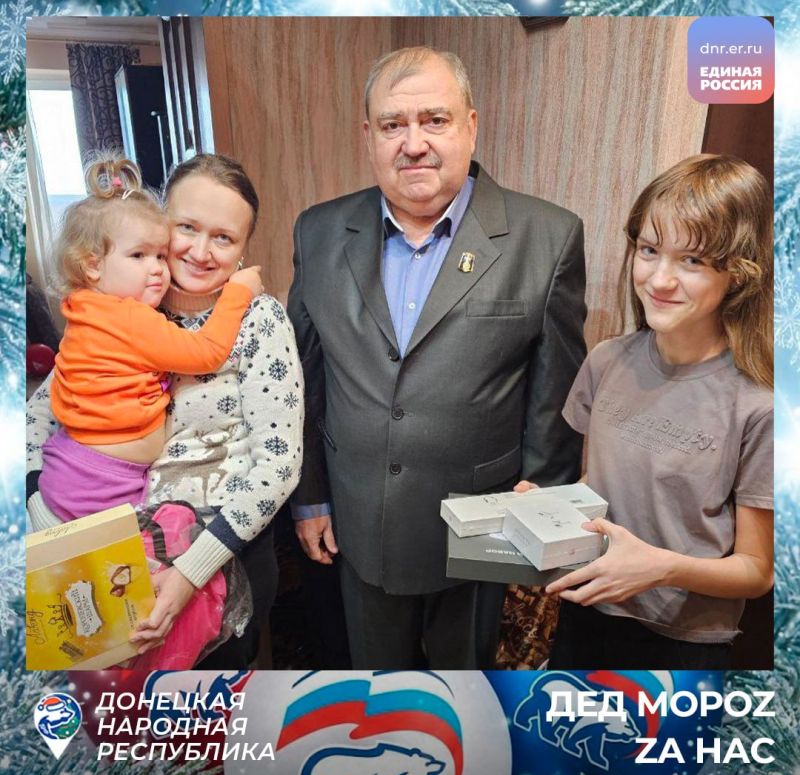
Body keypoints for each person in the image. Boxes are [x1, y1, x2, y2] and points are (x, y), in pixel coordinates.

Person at [288, 46, 587, 669]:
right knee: (380, 692)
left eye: (435, 120)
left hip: (481, 529)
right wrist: (310, 497)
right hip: (358, 520)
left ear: (470, 126)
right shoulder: (318, 232)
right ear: (368, 136)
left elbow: (553, 400)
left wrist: (541, 519)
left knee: (467, 696)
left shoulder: (548, 236)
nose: (414, 144)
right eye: (392, 125)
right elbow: (305, 382)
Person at [27, 154, 303, 667]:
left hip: (220, 561)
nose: (200, 251)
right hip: (112, 560)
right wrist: (45, 514)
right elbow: (39, 416)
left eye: (223, 238)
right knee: (120, 710)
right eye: (187, 228)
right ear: (160, 224)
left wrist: (189, 573)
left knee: (206, 712)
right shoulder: (122, 304)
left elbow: (279, 465)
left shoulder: (259, 319)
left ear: (243, 250)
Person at [518, 154, 773, 669]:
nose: (660, 279)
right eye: (650, 250)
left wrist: (660, 568)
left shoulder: (759, 404)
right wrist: (554, 508)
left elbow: (757, 570)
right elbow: (599, 483)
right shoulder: (607, 360)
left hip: (681, 644)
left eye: (692, 260)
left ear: (739, 273)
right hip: (586, 609)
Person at [33, 155, 262, 525]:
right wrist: (238, 292)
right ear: (92, 265)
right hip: (100, 480)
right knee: (116, 560)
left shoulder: (84, 307)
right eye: (139, 255)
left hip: (79, 466)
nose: (157, 268)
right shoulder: (130, 317)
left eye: (159, 254)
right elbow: (206, 352)